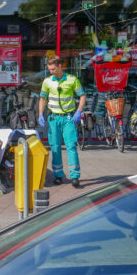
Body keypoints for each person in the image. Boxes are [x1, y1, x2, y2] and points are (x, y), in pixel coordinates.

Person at [38, 55, 86, 188]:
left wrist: (79, 111)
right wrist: (40, 114)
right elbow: (42, 98)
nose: (51, 72)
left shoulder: (72, 80)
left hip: (68, 118)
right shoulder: (47, 81)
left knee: (71, 146)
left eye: (53, 69)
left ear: (60, 66)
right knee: (55, 147)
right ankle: (58, 175)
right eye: (49, 69)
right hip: (53, 118)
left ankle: (75, 176)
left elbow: (82, 96)